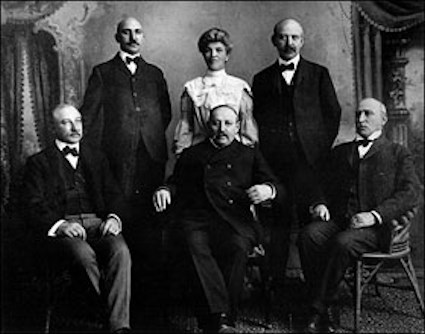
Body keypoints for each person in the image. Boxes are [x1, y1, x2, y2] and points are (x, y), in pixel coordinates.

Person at [154, 105, 283, 333]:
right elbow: (175, 182)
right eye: (216, 123)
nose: (221, 129)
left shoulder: (249, 154)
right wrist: (164, 189)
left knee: (238, 247)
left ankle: (219, 320)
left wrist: (267, 190)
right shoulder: (192, 154)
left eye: (227, 123)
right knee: (195, 245)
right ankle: (221, 321)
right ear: (208, 125)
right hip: (198, 219)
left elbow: (279, 187)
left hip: (234, 221)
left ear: (237, 126)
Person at [297, 98, 420, 333]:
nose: (361, 119)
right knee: (308, 236)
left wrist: (375, 215)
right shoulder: (341, 152)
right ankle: (325, 306)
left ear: (383, 119)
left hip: (376, 229)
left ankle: (317, 309)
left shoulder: (397, 153)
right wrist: (320, 203)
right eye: (358, 114)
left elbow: (411, 193)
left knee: (343, 243)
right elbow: (316, 182)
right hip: (340, 221)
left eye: (368, 114)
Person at [80, 17, 172, 318]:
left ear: (143, 37)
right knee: (120, 221)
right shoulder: (103, 73)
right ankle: (118, 305)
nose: (133, 37)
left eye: (138, 32)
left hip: (150, 160)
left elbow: (165, 113)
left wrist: (148, 140)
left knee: (149, 226)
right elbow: (90, 119)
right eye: (127, 32)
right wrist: (104, 156)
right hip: (116, 161)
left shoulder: (155, 73)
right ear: (117, 36)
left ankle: (148, 305)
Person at [22, 104, 131, 334]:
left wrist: (113, 218)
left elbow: (114, 194)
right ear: (53, 127)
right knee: (83, 255)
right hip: (65, 226)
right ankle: (105, 314)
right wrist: (60, 225)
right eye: (66, 122)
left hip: (96, 222)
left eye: (78, 120)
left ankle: (119, 327)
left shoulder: (97, 157)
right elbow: (32, 204)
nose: (74, 127)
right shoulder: (38, 162)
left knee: (120, 250)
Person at [251, 18, 341, 282]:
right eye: (283, 37)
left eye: (294, 38)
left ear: (302, 41)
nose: (288, 43)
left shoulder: (319, 73)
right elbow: (258, 118)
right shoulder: (261, 79)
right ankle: (274, 288)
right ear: (274, 40)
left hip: (310, 165)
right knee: (276, 228)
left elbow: (333, 113)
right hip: (275, 166)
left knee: (310, 226)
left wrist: (318, 148)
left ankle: (312, 290)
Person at [173, 27, 258, 156]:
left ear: (227, 55)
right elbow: (186, 126)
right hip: (203, 153)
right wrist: (182, 154)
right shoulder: (193, 87)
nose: (213, 55)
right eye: (208, 50)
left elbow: (247, 128)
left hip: (234, 154)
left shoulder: (239, 87)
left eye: (219, 50)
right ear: (203, 54)